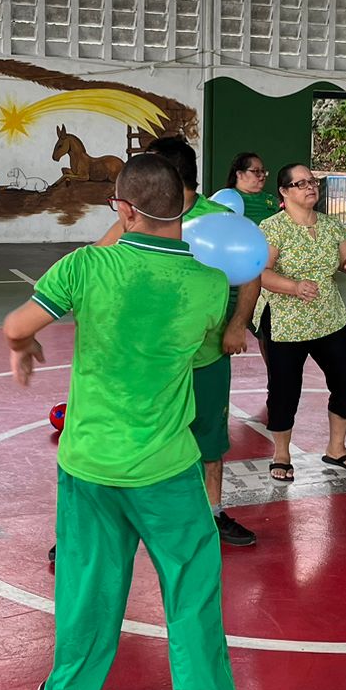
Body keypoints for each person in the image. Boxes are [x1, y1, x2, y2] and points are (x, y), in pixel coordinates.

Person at [2, 154, 253, 690]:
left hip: (88, 461)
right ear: (183, 206)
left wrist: (23, 345)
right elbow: (204, 354)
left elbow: (16, 324)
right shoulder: (208, 283)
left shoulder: (86, 265)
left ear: (123, 208)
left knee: (86, 587)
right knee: (191, 585)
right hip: (165, 466)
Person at [94, 136, 260, 547]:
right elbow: (100, 259)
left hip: (206, 352)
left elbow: (252, 272)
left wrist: (238, 324)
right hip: (148, 353)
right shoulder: (139, 216)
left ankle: (212, 514)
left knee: (209, 438)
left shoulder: (220, 218)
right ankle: (100, 521)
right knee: (130, 436)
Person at [256, 165, 346, 482]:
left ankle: (337, 448)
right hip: (286, 320)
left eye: (313, 181)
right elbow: (261, 272)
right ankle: (281, 454)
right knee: (285, 388)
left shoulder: (331, 225)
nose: (310, 187)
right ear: (284, 191)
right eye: (301, 183)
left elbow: (345, 259)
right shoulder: (272, 227)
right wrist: (294, 287)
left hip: (328, 317)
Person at [225, 151, 279, 225]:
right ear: (240, 174)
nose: (262, 175)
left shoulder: (271, 200)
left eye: (263, 171)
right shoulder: (225, 198)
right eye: (256, 171)